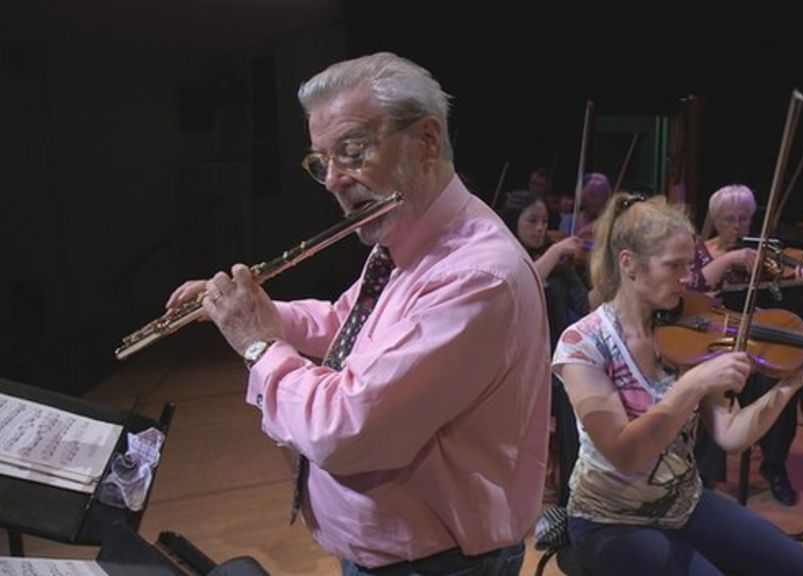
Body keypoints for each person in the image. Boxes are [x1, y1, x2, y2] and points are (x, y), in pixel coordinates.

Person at [165, 52, 550, 575]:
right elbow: (345, 323)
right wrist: (253, 311)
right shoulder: (409, 234)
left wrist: (258, 345)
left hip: (438, 566)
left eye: (351, 152)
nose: (332, 180)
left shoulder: (475, 277)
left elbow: (343, 430)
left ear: (427, 141)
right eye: (320, 162)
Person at [553, 192, 803, 575]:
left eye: (690, 265)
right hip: (610, 520)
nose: (687, 278)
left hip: (686, 503)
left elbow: (731, 434)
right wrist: (691, 384)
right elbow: (625, 454)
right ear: (628, 264)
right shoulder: (583, 343)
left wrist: (791, 385)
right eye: (673, 266)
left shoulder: (690, 328)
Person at [691, 184, 803, 505]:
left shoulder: (764, 256)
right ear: (715, 220)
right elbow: (694, 289)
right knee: (716, 380)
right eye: (729, 219)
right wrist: (730, 258)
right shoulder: (698, 251)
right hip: (713, 341)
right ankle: (705, 476)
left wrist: (801, 279)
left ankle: (774, 466)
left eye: (744, 219)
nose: (738, 226)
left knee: (780, 378)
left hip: (756, 343)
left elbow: (783, 301)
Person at [499, 189, 589, 509]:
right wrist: (555, 251)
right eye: (532, 221)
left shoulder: (560, 265)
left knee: (569, 434)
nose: (540, 228)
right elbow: (524, 283)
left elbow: (588, 306)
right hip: (518, 364)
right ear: (514, 221)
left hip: (555, 361)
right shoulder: (504, 255)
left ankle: (568, 502)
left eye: (544, 221)